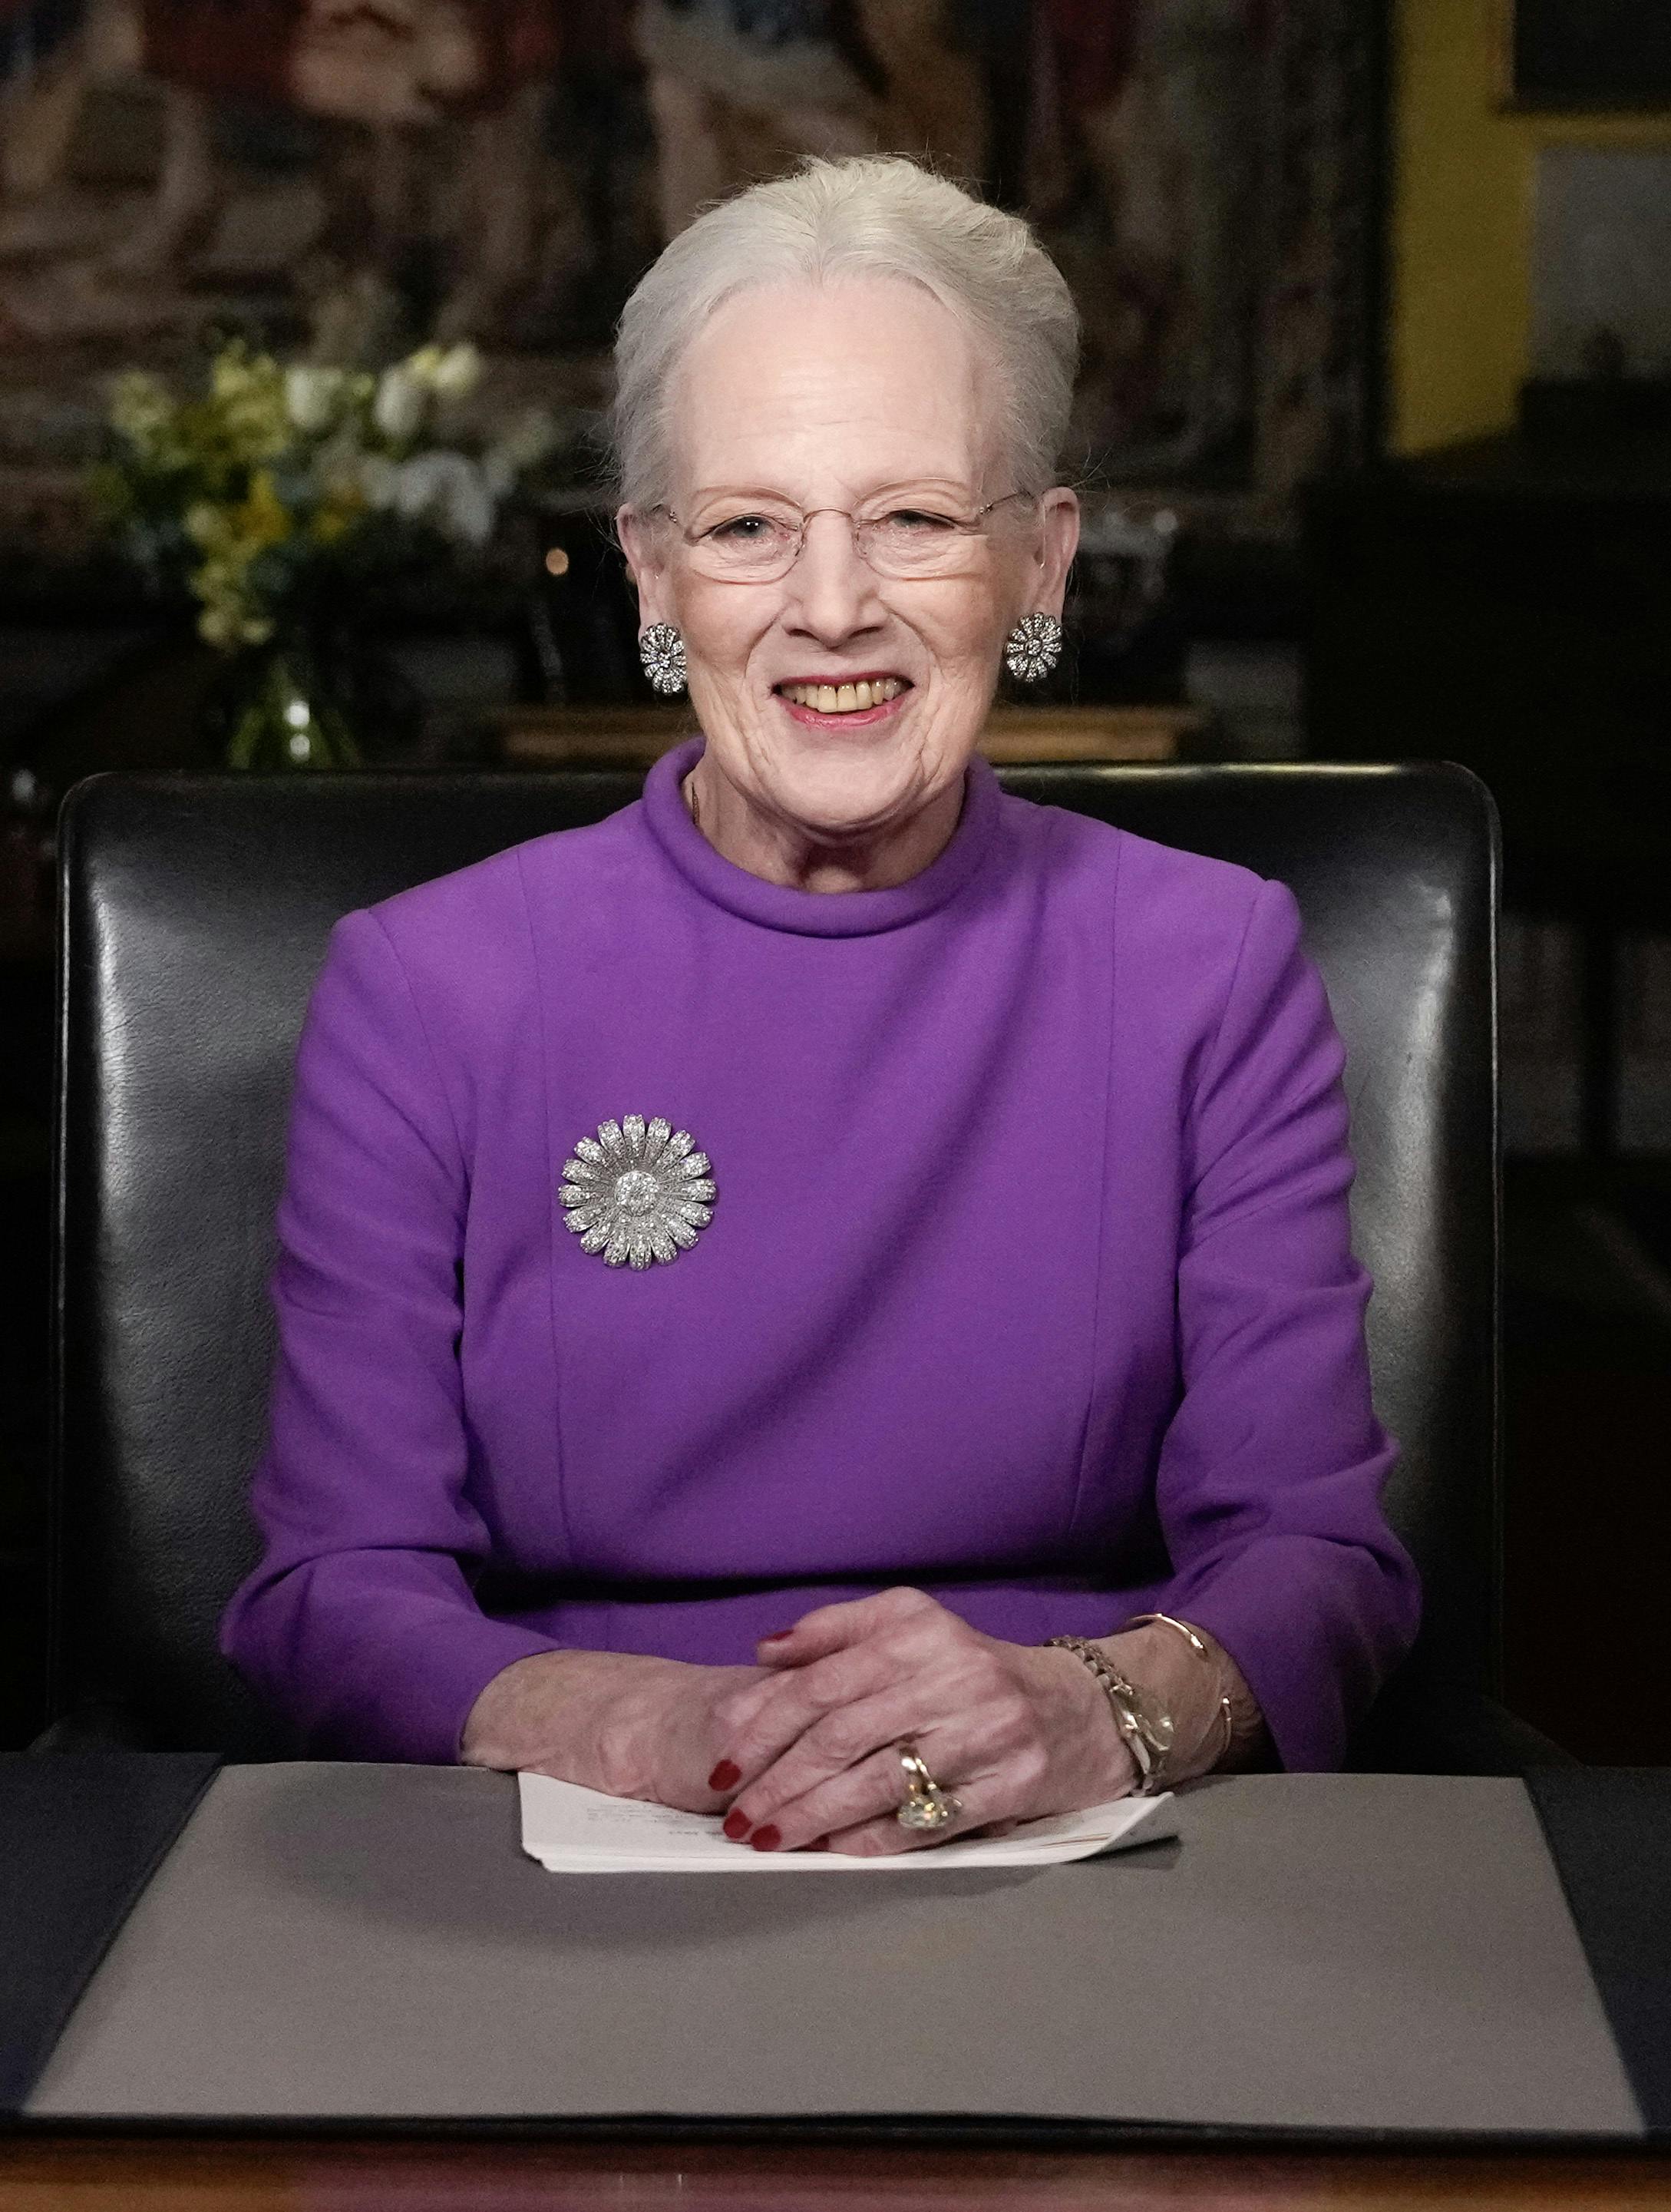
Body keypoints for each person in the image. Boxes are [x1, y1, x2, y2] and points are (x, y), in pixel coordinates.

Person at [222, 154, 1418, 1853]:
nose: (832, 605)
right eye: (747, 526)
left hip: (1078, 1852)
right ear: (652, 575)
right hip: (565, 1842)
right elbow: (331, 1588)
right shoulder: (428, 985)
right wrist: (656, 1721)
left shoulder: (1207, 965)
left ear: (1042, 564)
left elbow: (1321, 1562)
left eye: (917, 518)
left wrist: (1095, 1706)